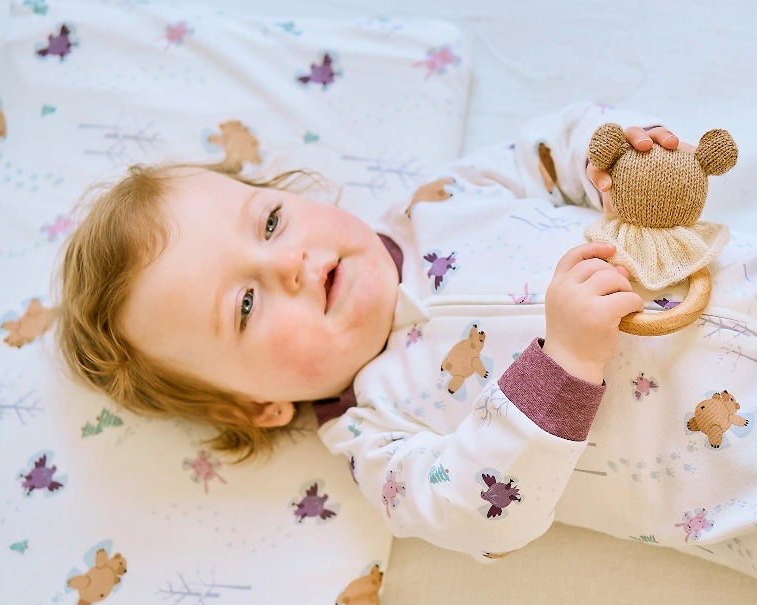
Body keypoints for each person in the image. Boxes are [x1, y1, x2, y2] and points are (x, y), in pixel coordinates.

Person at [57, 103, 757, 574]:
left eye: (269, 224)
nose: (289, 263)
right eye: (245, 303)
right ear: (253, 407)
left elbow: (545, 152)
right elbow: (484, 518)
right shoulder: (378, 441)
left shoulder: (437, 204)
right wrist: (567, 364)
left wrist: (610, 159)